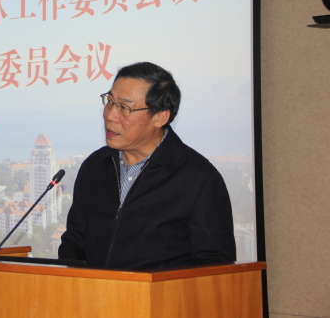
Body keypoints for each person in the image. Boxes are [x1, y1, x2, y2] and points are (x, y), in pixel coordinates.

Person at [58, 62, 236, 270]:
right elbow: (74, 241)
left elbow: (214, 265)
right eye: (110, 101)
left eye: (124, 107)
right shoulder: (95, 166)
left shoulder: (199, 179)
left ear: (160, 117)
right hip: (94, 291)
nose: (110, 115)